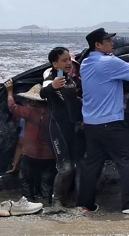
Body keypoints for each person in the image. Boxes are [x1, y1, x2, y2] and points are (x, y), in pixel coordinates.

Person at [77, 28, 129, 214]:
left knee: (92, 164)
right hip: (111, 123)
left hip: (91, 123)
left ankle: (86, 205)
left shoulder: (86, 63)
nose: (112, 43)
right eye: (107, 40)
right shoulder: (108, 62)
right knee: (128, 159)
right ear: (98, 44)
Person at [40, 47, 84, 210]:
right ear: (55, 63)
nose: (68, 64)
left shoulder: (71, 80)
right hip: (57, 128)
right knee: (65, 168)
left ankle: (72, 200)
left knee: (75, 167)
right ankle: (56, 201)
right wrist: (53, 87)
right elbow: (43, 93)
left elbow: (74, 102)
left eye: (69, 61)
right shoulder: (51, 76)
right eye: (64, 61)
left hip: (73, 129)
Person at [4, 80, 56, 204]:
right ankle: (47, 203)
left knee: (26, 178)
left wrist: (9, 91)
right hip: (50, 154)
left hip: (30, 153)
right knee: (47, 181)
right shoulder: (54, 112)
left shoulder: (28, 110)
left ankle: (29, 201)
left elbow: (12, 106)